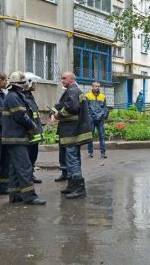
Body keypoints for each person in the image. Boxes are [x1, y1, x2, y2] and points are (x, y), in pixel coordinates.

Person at [2, 71, 46, 205]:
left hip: (15, 137)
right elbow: (21, 116)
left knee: (16, 167)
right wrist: (32, 126)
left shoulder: (14, 95)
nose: (24, 86)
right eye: (23, 84)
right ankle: (29, 196)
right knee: (25, 167)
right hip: (17, 138)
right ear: (18, 85)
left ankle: (15, 194)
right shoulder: (14, 97)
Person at [50, 71, 92, 199]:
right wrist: (53, 110)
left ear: (71, 79)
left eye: (64, 78)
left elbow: (71, 109)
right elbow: (61, 104)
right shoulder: (72, 91)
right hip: (72, 132)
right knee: (72, 159)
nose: (62, 80)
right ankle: (72, 186)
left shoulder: (73, 91)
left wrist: (57, 115)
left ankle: (79, 188)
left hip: (72, 133)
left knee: (72, 160)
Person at [22, 72, 45, 184]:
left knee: (33, 156)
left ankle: (30, 174)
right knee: (28, 156)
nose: (36, 85)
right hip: (30, 133)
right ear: (29, 83)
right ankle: (27, 176)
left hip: (34, 133)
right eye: (34, 83)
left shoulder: (30, 97)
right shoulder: (24, 98)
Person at [86, 82, 108, 158]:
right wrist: (90, 116)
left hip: (100, 119)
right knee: (90, 136)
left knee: (102, 136)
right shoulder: (88, 96)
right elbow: (86, 107)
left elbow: (105, 108)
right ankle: (90, 152)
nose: (97, 87)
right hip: (91, 119)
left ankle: (103, 153)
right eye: (96, 86)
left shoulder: (102, 96)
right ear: (92, 87)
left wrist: (102, 115)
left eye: (98, 86)